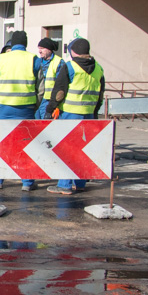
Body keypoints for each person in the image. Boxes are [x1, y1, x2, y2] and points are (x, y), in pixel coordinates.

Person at [46, 37, 105, 195]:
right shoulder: (98, 69)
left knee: (66, 149)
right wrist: (94, 112)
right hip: (89, 115)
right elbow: (100, 95)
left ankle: (64, 185)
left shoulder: (70, 67)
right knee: (83, 150)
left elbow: (59, 92)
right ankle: (80, 183)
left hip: (70, 115)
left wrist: (51, 108)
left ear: (73, 51)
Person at [0, 30, 41, 191]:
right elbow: (41, 88)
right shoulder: (34, 60)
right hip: (26, 109)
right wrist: (34, 105)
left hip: (5, 108)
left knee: (3, 145)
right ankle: (27, 182)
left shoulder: (1, 59)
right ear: (25, 44)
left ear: (12, 43)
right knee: (27, 145)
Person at [35, 37, 63, 120]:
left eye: (42, 48)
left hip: (49, 101)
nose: (40, 51)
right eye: (39, 48)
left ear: (50, 50)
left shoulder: (59, 62)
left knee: (45, 125)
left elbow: (61, 84)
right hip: (37, 99)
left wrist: (56, 104)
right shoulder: (37, 62)